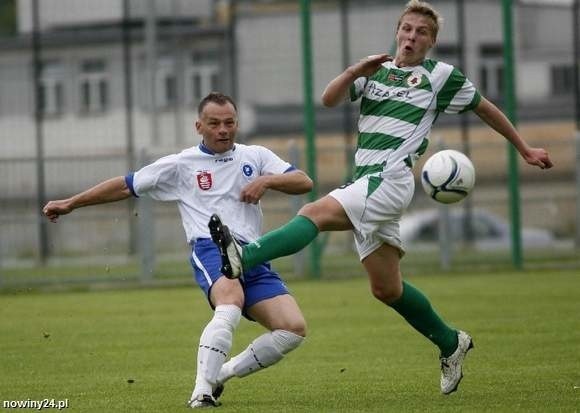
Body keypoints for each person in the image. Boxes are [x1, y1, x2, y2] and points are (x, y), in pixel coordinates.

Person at [209, 0, 554, 396]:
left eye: (421, 32)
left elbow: (485, 109)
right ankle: (450, 342)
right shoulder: (377, 72)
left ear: (432, 41)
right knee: (386, 289)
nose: (411, 36)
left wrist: (524, 148)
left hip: (389, 180)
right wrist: (357, 69)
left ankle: (244, 256)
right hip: (366, 181)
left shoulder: (440, 76)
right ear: (397, 31)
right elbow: (329, 98)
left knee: (314, 212)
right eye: (406, 28)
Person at [42, 92, 313, 408]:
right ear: (199, 126)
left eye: (229, 123)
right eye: (214, 123)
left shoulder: (255, 156)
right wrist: (71, 203)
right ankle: (202, 391)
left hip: (253, 252)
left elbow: (303, 181)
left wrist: (267, 181)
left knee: (293, 330)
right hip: (211, 246)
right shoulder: (182, 164)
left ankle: (221, 374)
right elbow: (125, 184)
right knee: (230, 302)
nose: (223, 129)